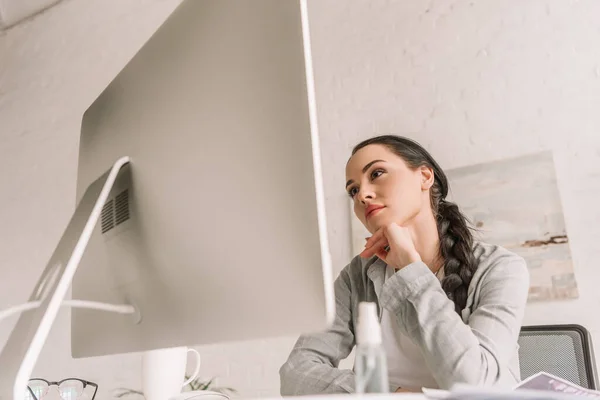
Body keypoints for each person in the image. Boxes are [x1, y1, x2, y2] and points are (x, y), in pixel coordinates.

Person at [279, 135, 530, 394]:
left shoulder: (500, 268)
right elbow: (296, 373)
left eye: (377, 173)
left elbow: (475, 385)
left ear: (424, 176)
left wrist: (412, 270)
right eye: (353, 190)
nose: (362, 195)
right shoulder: (357, 276)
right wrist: (392, 395)